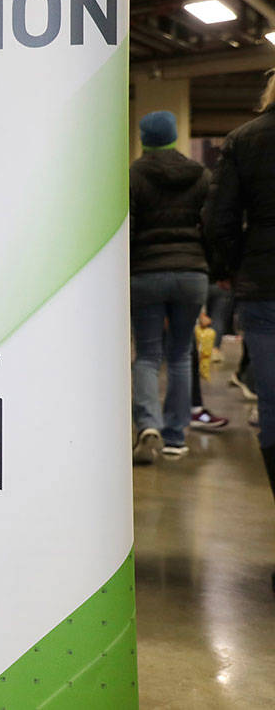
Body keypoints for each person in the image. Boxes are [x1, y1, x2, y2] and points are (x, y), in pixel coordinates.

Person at [204, 68, 275, 591]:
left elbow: (220, 218)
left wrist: (227, 269)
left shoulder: (245, 141)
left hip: (266, 284)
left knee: (274, 405)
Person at [129, 111, 210, 463]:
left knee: (148, 355)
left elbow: (127, 229)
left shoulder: (133, 175)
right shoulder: (201, 175)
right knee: (180, 354)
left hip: (146, 274)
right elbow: (211, 225)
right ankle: (176, 436)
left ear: (144, 139)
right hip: (191, 273)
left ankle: (148, 425)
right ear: (175, 137)